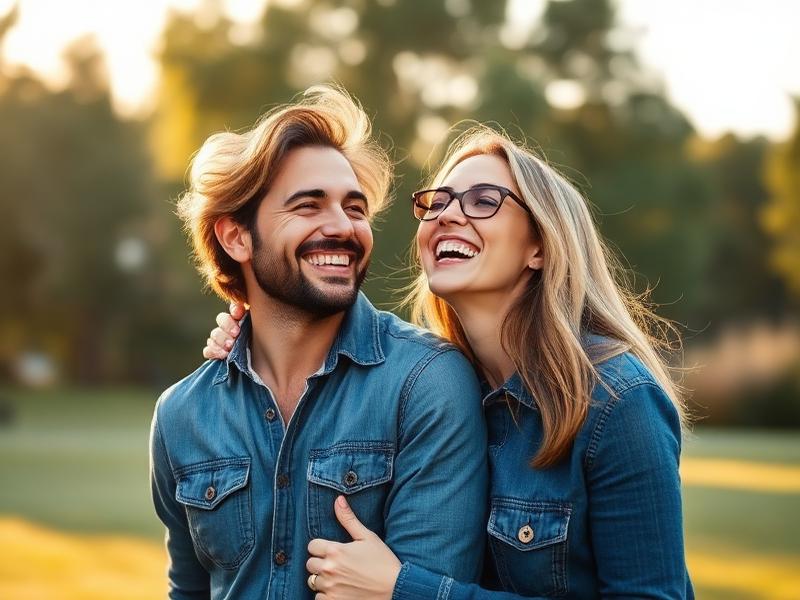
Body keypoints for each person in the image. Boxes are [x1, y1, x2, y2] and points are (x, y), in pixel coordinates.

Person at [206, 125, 695, 598]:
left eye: (484, 201)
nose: (447, 215)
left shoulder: (616, 402)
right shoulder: (435, 388)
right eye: (436, 202)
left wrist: (403, 590)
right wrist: (257, 337)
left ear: (540, 246)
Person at [150, 86, 489, 600]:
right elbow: (189, 591)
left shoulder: (427, 383)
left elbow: (436, 583)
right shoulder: (181, 414)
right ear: (236, 237)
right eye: (308, 206)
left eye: (354, 208)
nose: (342, 227)